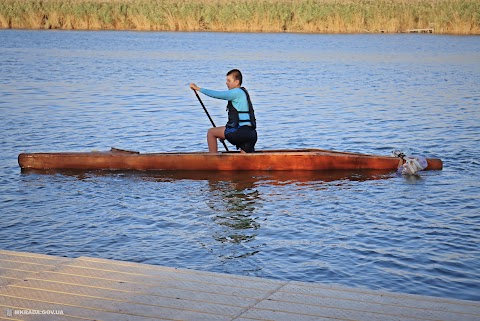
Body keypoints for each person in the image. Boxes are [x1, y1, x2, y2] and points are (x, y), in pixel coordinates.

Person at [190, 69, 257, 153]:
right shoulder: (243, 92)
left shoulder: (236, 92)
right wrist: (224, 135)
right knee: (243, 160)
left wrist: (198, 89)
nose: (226, 83)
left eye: (229, 80)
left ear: (236, 82)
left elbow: (218, 94)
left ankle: (213, 160)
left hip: (239, 132)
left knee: (211, 132)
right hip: (251, 134)